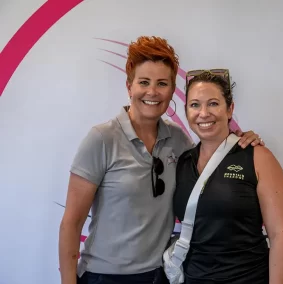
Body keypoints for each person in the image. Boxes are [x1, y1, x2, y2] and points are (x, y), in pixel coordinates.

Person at [58, 36, 264, 284]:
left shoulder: (178, 139)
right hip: (106, 276)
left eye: (162, 83)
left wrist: (241, 140)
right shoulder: (102, 139)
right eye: (144, 82)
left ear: (171, 89)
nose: (152, 92)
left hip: (162, 274)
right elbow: (71, 223)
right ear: (129, 87)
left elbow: (214, 162)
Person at [173, 70, 283, 284]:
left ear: (230, 109)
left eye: (213, 103)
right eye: (195, 105)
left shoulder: (257, 157)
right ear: (186, 112)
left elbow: (280, 235)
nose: (204, 113)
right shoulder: (183, 162)